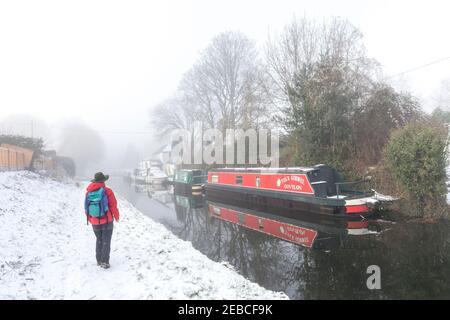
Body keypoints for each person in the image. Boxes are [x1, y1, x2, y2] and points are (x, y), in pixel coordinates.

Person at [84, 172, 120, 269]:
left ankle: (98, 260)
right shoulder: (108, 191)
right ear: (103, 181)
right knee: (106, 241)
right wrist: (116, 216)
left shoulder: (88, 192)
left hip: (95, 221)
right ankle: (105, 262)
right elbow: (113, 206)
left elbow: (86, 207)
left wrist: (91, 218)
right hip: (107, 220)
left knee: (99, 239)